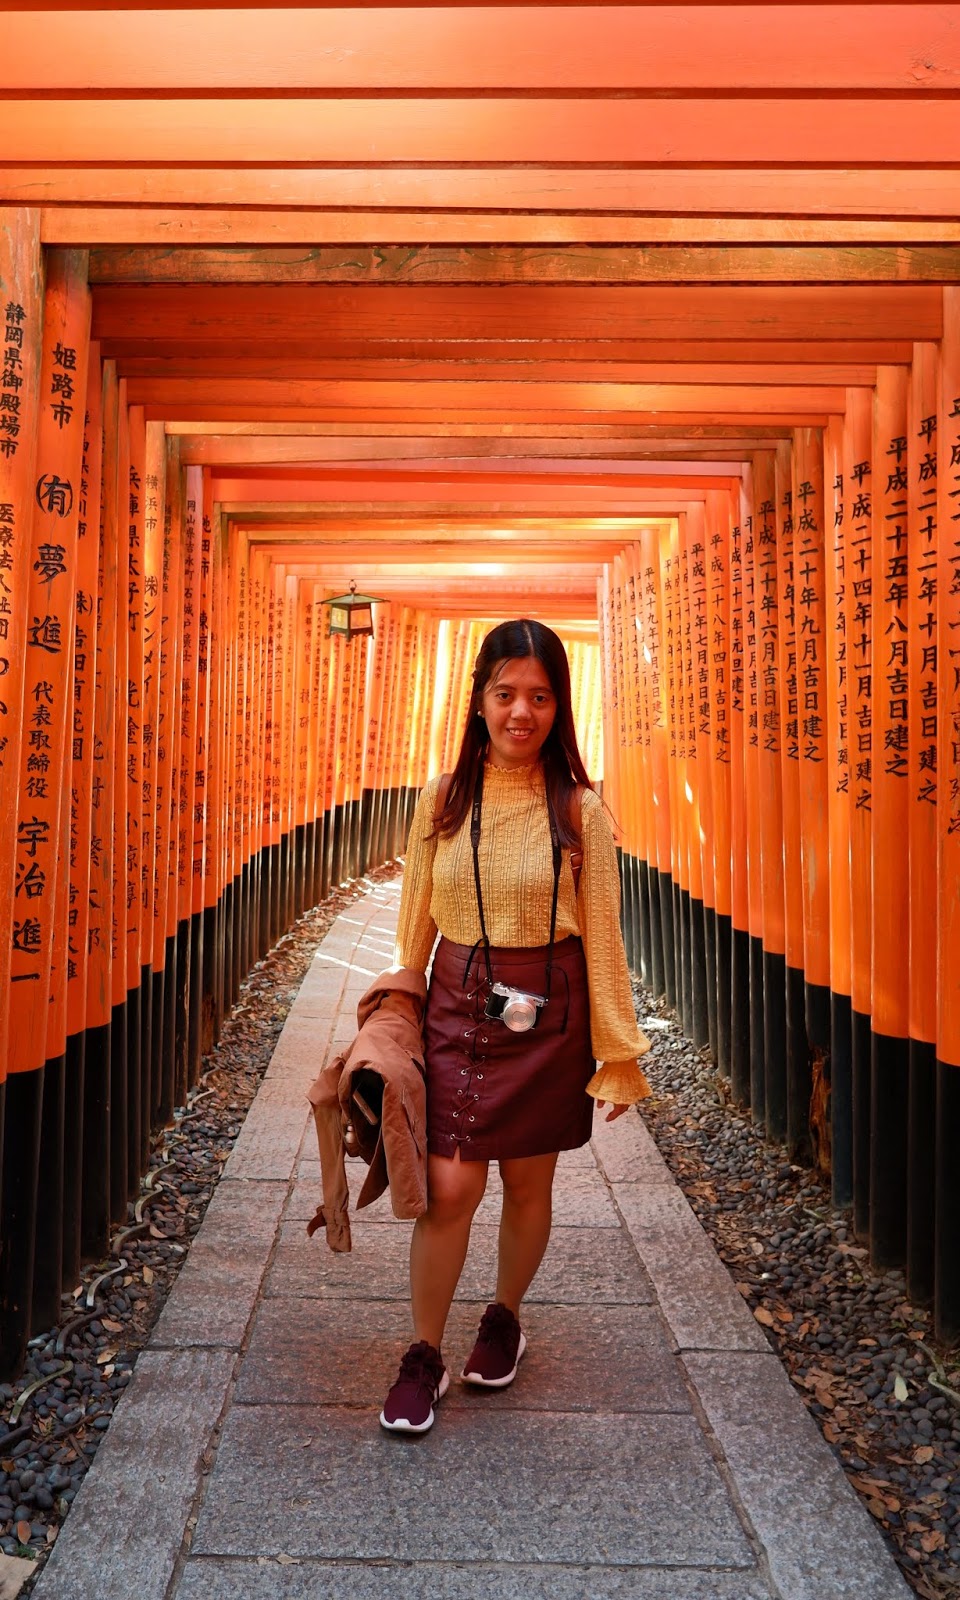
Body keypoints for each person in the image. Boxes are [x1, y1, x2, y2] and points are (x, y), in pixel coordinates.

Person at [380, 618, 651, 1434]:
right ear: (479, 701)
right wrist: (395, 1011)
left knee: (528, 1183)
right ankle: (422, 1354)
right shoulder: (444, 797)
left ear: (558, 707)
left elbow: (603, 934)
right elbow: (414, 922)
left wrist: (618, 1052)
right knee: (453, 1184)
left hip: (551, 1002)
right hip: (460, 999)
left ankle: (504, 1315)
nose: (521, 712)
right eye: (506, 694)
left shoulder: (580, 809)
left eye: (539, 696)